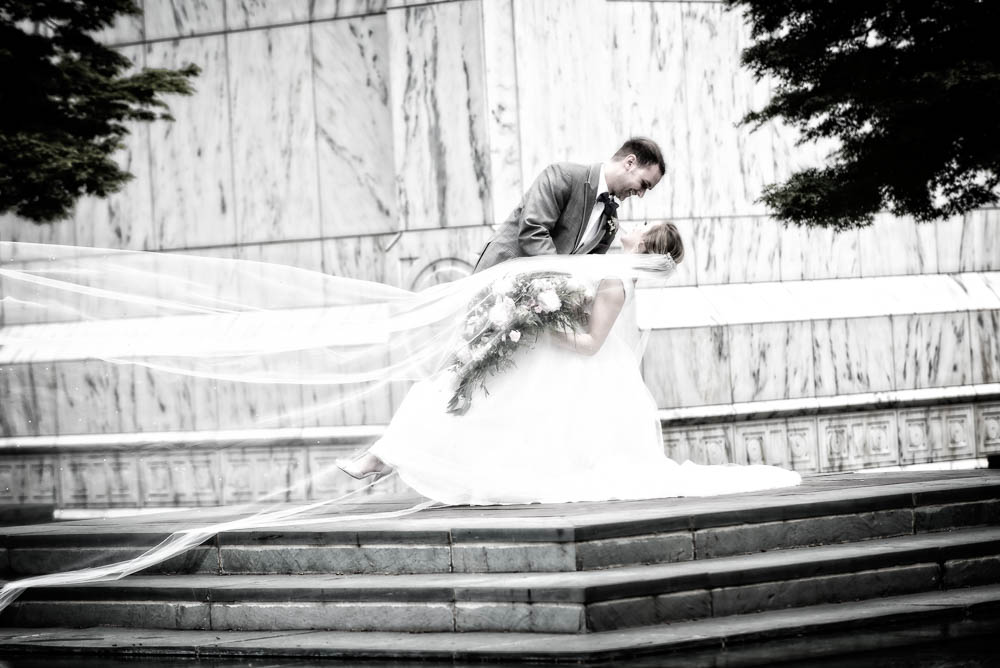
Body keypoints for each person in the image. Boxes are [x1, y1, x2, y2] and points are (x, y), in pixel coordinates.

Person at [339, 223, 801, 504]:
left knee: (469, 406)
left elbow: (590, 343)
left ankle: (386, 457)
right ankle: (385, 456)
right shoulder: (608, 268)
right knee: (455, 397)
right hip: (536, 358)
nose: (631, 226)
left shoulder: (617, 284)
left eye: (641, 228)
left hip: (555, 362)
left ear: (644, 245)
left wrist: (537, 323)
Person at [474, 137, 666, 272]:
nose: (640, 194)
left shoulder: (611, 223)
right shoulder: (563, 176)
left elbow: (588, 267)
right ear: (629, 162)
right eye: (643, 184)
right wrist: (560, 283)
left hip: (537, 303)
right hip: (501, 272)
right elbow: (533, 231)